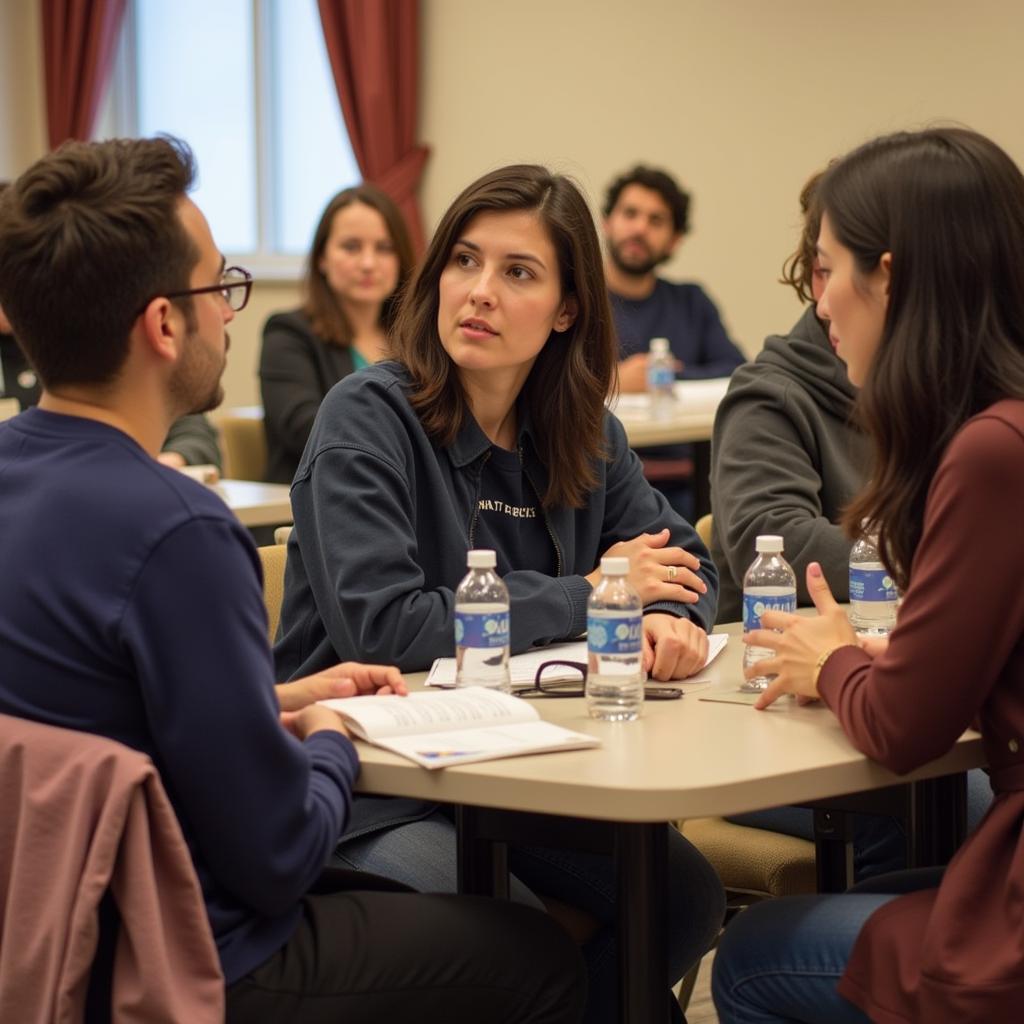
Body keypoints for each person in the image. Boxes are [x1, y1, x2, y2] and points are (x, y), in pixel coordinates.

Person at [0, 137, 586, 1023]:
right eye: (218, 287)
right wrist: (332, 737)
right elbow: (277, 853)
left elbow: (91, 712)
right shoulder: (181, 532)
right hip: (185, 950)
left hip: (42, 932)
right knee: (535, 958)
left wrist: (267, 699)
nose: (230, 314)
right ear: (164, 325)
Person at [274, 163, 725, 1023]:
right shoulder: (365, 416)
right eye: (464, 262)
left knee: (681, 895)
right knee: (521, 942)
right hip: (377, 785)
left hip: (541, 767)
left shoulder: (585, 428)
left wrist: (667, 613)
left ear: (566, 310)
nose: (478, 292)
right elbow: (390, 625)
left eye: (517, 272)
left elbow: (686, 559)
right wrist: (593, 591)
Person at [712, 126, 1024, 1023]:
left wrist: (838, 659)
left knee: (753, 955)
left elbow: (900, 725)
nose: (820, 307)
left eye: (826, 272)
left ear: (887, 277)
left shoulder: (990, 453)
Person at [602, 165, 745, 518]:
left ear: (674, 239)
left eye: (656, 220)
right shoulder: (573, 301)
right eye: (630, 213)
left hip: (688, 486)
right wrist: (613, 380)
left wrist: (660, 379)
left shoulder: (691, 302)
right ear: (607, 222)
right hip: (599, 483)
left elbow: (737, 371)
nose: (639, 228)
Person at [259, 184, 415, 483]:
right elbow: (305, 428)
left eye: (384, 248)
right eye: (351, 246)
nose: (368, 263)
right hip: (314, 502)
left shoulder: (416, 339)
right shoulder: (288, 333)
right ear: (322, 258)